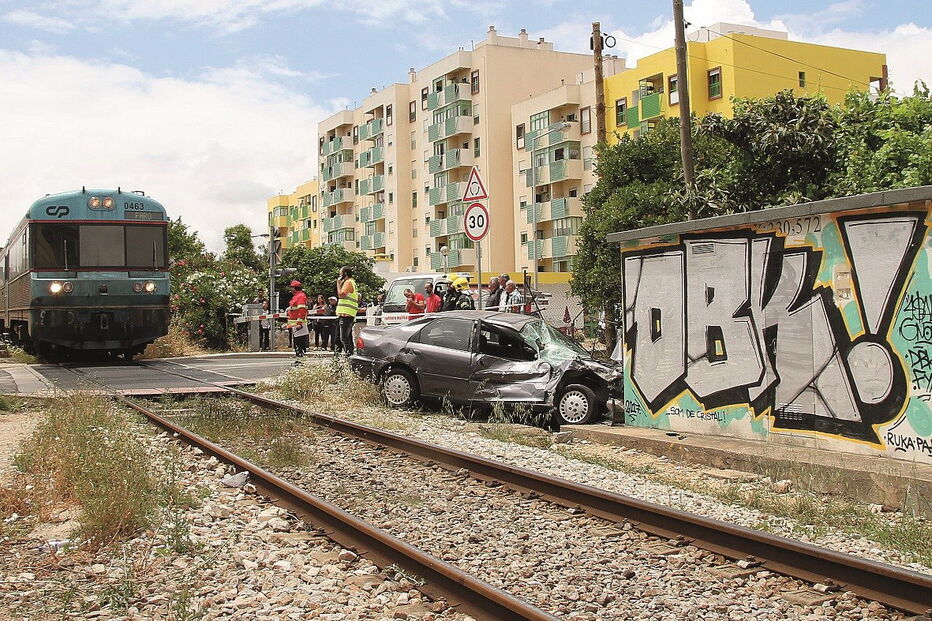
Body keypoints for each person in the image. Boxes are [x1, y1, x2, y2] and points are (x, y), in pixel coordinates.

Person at [336, 265, 359, 356]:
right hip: (347, 314)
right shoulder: (352, 282)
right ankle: (348, 356)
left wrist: (338, 284)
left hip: (346, 314)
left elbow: (341, 294)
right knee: (346, 338)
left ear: (344, 274)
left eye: (340, 274)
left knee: (344, 338)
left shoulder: (348, 282)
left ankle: (349, 356)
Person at [286, 280, 309, 361]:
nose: (291, 290)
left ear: (295, 288)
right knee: (297, 344)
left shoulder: (300, 296)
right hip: (296, 325)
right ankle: (299, 360)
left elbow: (302, 310)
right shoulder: (297, 296)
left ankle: (301, 361)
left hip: (299, 325)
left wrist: (299, 323)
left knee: (300, 344)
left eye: (292, 288)